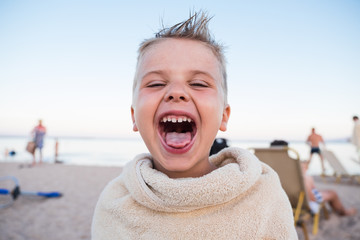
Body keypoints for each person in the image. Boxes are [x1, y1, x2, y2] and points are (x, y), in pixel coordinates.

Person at [92, 11, 297, 239]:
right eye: (156, 83)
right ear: (134, 116)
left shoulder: (264, 197)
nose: (177, 92)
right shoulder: (114, 202)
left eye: (198, 83)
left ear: (223, 116)